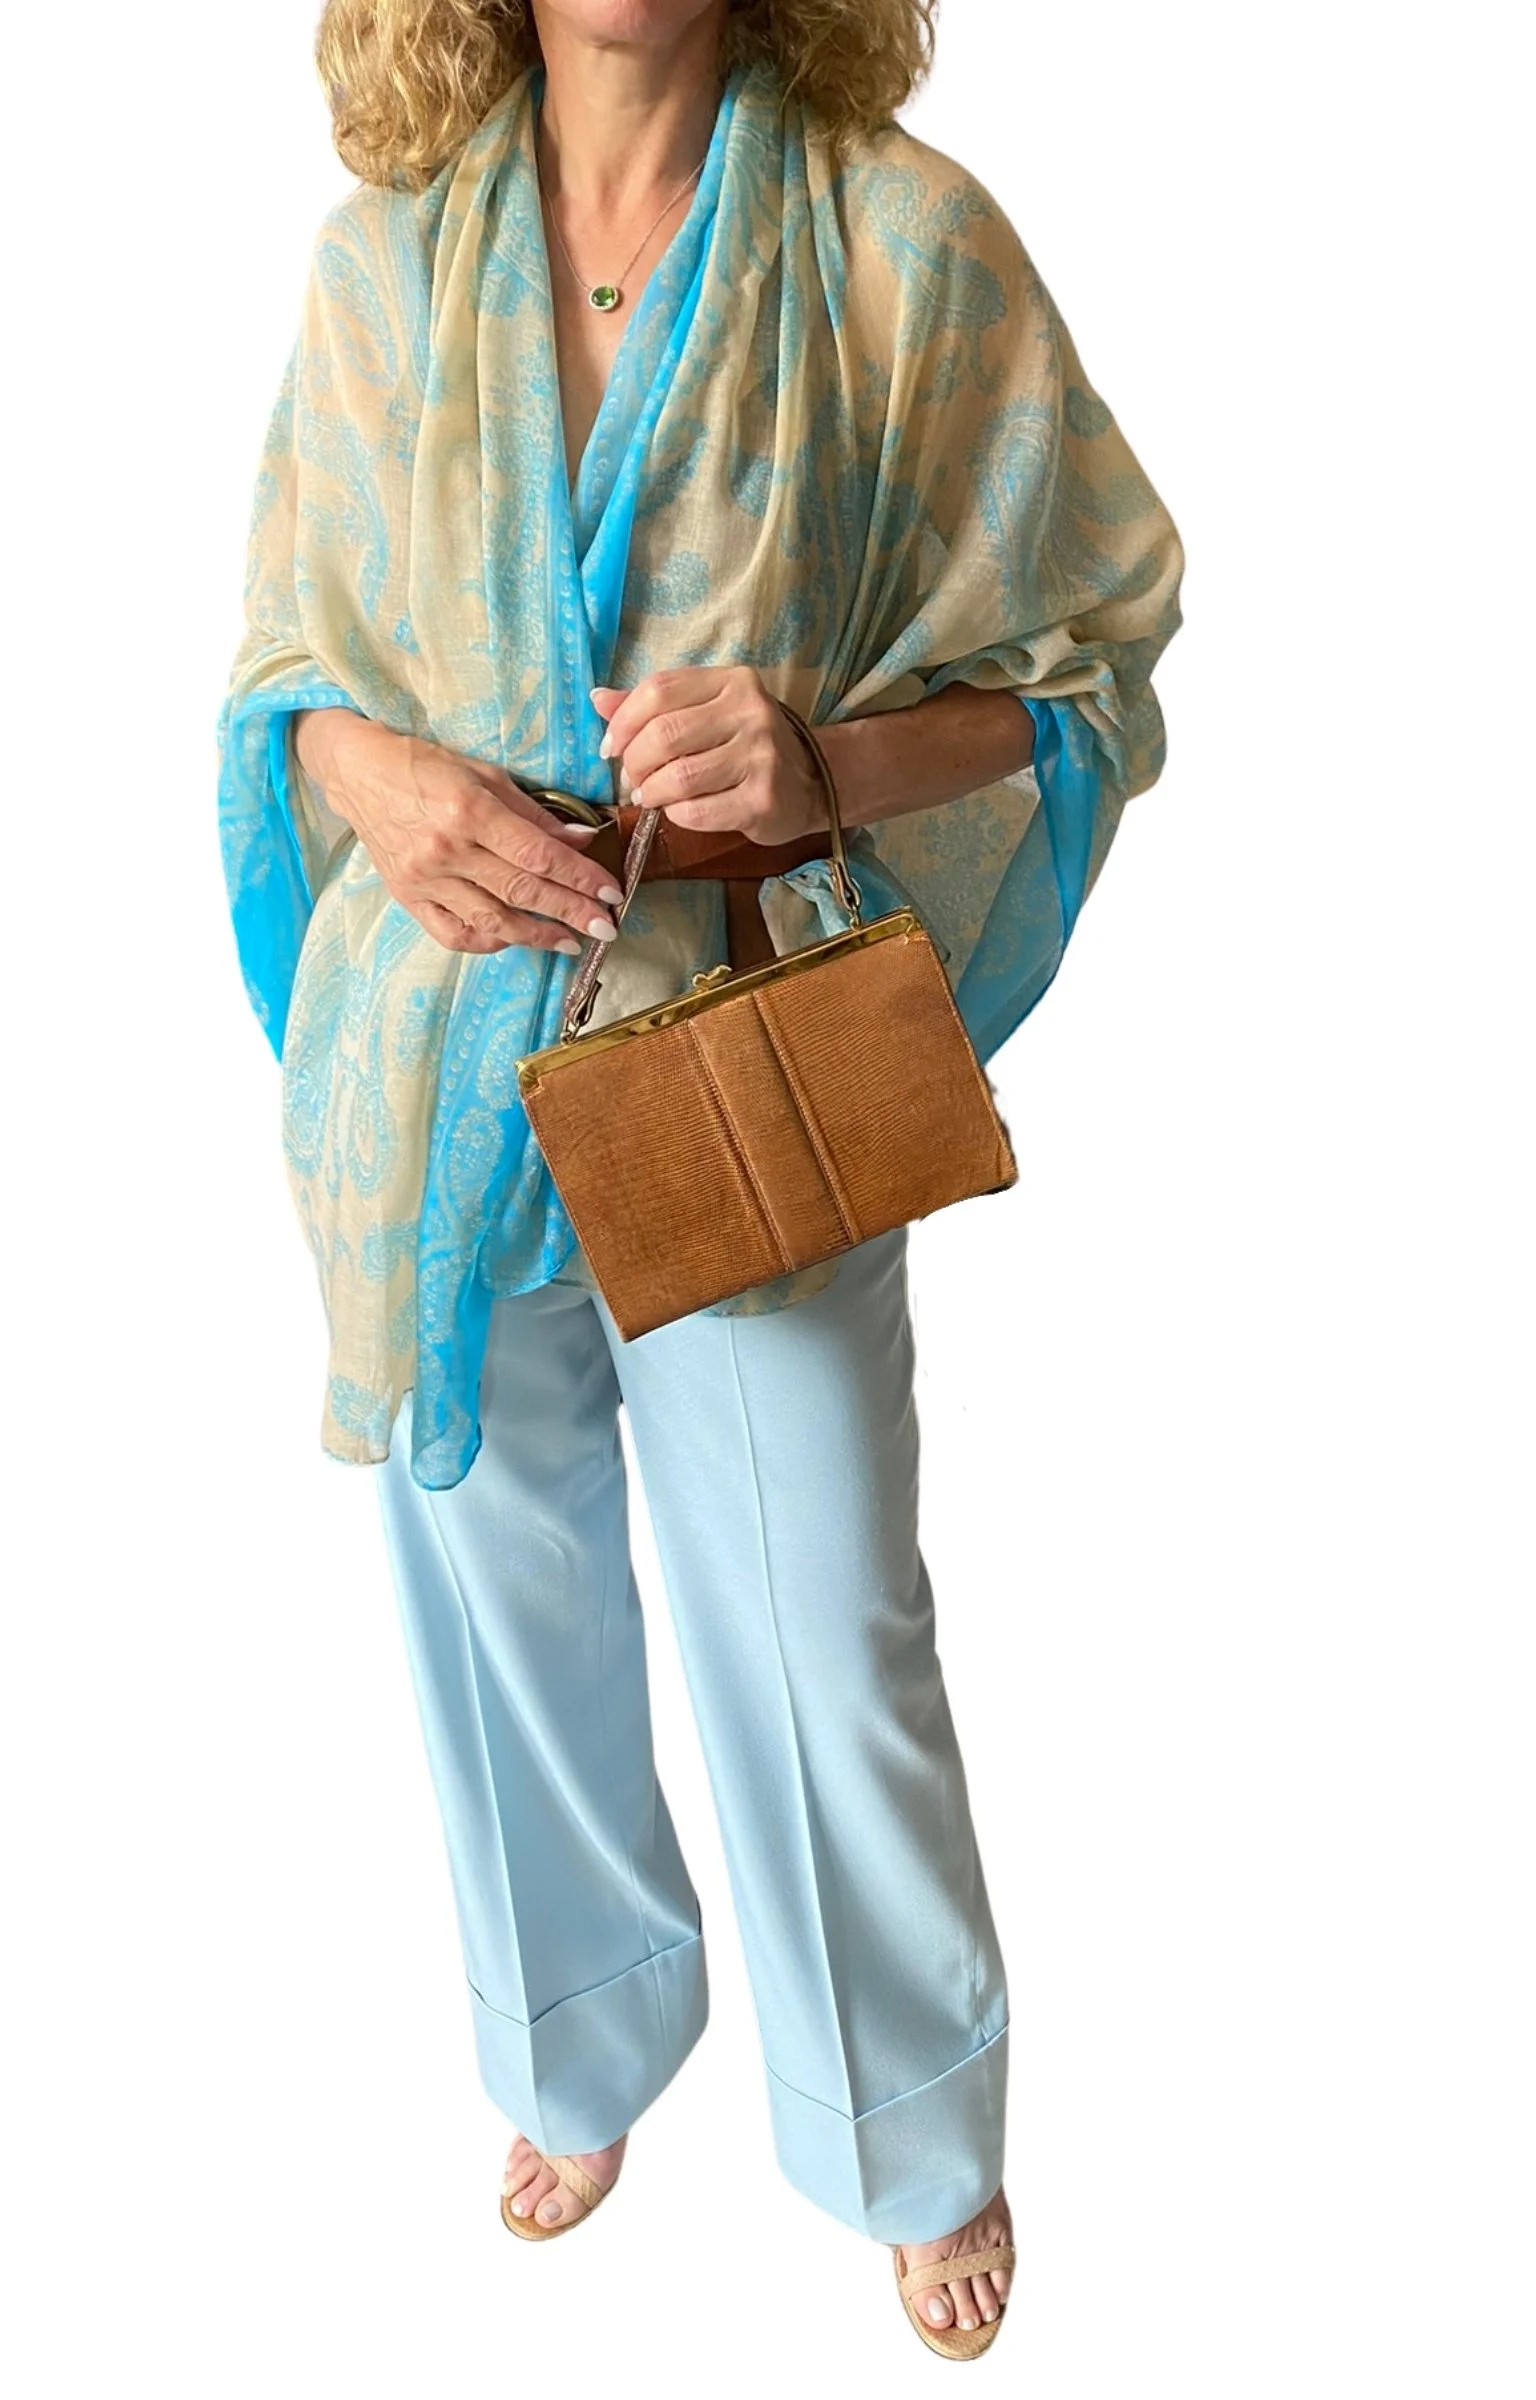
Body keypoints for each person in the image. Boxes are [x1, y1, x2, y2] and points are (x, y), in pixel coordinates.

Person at [216, 0, 1182, 2359]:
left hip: (737, 1039)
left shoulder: (897, 245)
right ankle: (575, 2039)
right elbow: (283, 679)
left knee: (821, 1616)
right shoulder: (385, 264)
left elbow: (1094, 660)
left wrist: (826, 761)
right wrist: (377, 777)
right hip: (435, 1077)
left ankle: (907, 2128)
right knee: (500, 1601)